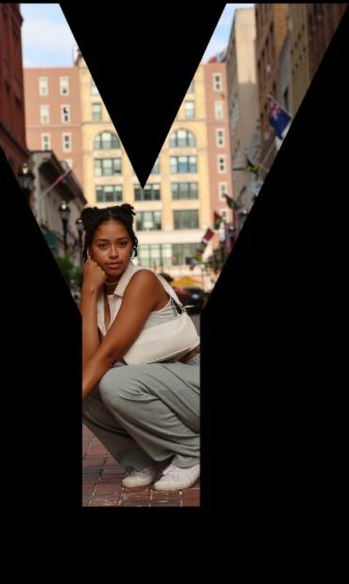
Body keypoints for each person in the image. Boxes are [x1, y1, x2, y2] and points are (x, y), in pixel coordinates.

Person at [79, 204, 201, 492]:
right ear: (89, 251)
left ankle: (192, 451)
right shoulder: (96, 293)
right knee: (92, 388)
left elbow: (107, 357)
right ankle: (144, 459)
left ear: (133, 246)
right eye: (102, 245)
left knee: (111, 381)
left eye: (122, 243)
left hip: (192, 380)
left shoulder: (142, 280)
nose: (113, 253)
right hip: (161, 386)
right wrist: (88, 291)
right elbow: (89, 363)